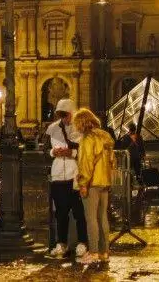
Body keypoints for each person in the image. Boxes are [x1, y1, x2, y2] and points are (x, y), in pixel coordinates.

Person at [45, 97, 88, 260]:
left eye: (66, 115)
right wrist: (52, 152)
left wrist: (73, 153)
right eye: (61, 115)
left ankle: (82, 242)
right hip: (58, 176)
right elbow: (44, 149)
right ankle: (61, 243)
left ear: (73, 113)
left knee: (79, 212)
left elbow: (86, 151)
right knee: (61, 213)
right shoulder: (52, 128)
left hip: (74, 175)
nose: (64, 118)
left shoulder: (81, 129)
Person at [73, 108, 114, 265]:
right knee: (102, 217)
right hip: (105, 181)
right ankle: (104, 252)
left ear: (81, 122)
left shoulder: (87, 138)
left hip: (92, 183)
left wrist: (83, 183)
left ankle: (94, 252)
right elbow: (112, 160)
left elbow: (86, 163)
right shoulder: (105, 136)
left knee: (91, 219)